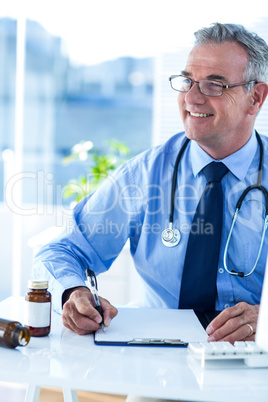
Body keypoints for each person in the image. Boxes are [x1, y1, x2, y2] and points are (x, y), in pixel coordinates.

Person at [34, 22, 268, 352]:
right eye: (187, 81)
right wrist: (73, 292)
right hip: (161, 358)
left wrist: (267, 317)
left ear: (255, 97)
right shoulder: (145, 175)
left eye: (214, 85)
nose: (191, 98)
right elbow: (60, 250)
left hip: (257, 358)